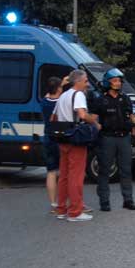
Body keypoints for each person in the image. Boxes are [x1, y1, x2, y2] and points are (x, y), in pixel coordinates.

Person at [52, 69, 101, 222]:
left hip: (62, 137)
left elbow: (53, 116)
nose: (87, 84)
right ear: (78, 81)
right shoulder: (78, 95)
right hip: (76, 138)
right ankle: (75, 212)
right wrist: (95, 122)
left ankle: (61, 209)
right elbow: (81, 114)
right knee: (76, 175)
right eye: (86, 81)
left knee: (64, 175)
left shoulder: (63, 96)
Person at [90, 68, 135, 212]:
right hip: (107, 138)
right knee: (104, 170)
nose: (118, 83)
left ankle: (128, 200)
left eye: (119, 81)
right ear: (108, 82)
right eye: (115, 81)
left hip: (124, 138)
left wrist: (134, 134)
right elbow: (92, 118)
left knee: (126, 170)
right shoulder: (100, 100)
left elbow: (131, 117)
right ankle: (104, 202)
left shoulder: (125, 98)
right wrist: (96, 126)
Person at [41, 76, 63, 213]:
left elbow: (48, 94)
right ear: (59, 89)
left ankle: (53, 204)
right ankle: (63, 202)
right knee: (63, 172)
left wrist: (59, 84)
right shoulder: (61, 102)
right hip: (60, 137)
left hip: (48, 137)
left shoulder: (44, 102)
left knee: (51, 172)